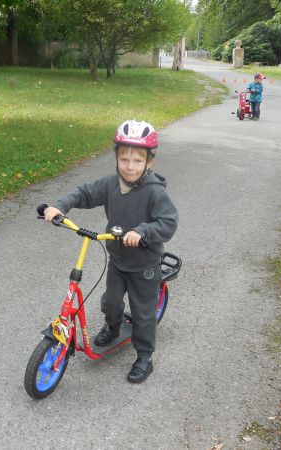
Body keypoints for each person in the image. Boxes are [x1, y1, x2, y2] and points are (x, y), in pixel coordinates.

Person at [44, 120, 178, 383]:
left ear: (149, 162)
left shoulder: (155, 192)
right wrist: (60, 206)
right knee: (111, 302)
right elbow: (84, 193)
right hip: (117, 260)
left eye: (137, 161)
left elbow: (168, 222)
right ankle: (113, 326)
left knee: (143, 313)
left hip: (145, 265)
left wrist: (142, 232)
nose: (130, 166)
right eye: (124, 159)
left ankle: (145, 356)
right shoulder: (110, 184)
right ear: (116, 158)